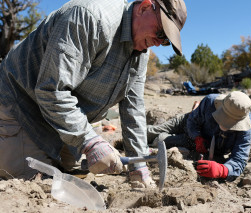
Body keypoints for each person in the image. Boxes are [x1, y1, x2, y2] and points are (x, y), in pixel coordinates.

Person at [0, 0, 187, 188]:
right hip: (20, 105)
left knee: (72, 171)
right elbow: (51, 90)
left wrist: (138, 166)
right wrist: (89, 142)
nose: (158, 42)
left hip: (60, 120)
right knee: (41, 182)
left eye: (165, 41)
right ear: (145, 7)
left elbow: (134, 109)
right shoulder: (90, 18)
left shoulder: (141, 52)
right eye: (160, 32)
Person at [147, 91, 251, 181]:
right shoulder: (210, 101)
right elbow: (191, 122)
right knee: (151, 132)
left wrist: (223, 170)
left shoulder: (245, 130)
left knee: (160, 140)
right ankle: (131, 137)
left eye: (231, 123)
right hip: (187, 123)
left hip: (195, 144)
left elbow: (239, 160)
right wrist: (197, 137)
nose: (226, 125)